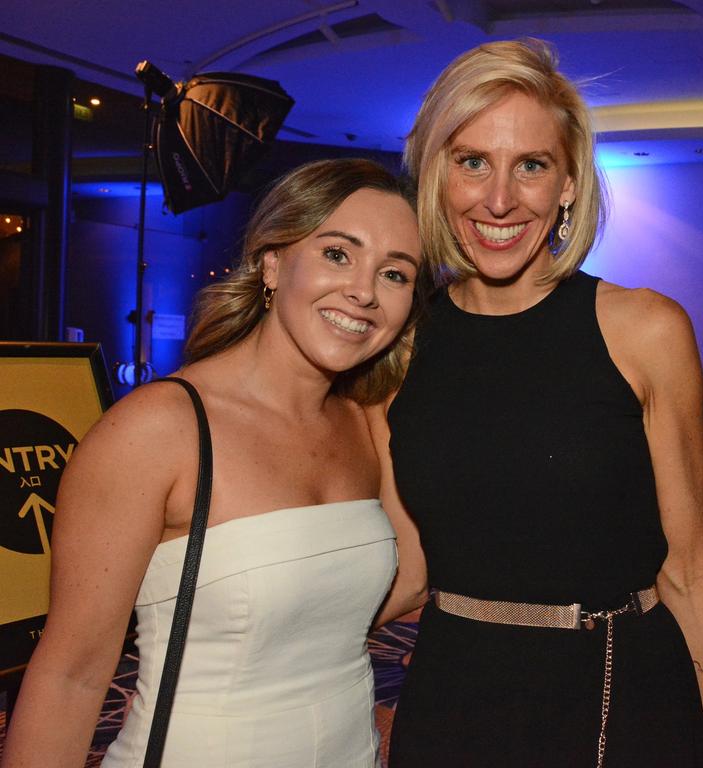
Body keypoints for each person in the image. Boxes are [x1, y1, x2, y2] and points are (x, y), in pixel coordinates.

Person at [369, 39, 703, 767]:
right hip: (454, 697)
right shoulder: (402, 345)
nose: (500, 199)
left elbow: (689, 567)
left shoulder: (644, 329)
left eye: (531, 166)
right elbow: (409, 565)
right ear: (437, 177)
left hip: (617, 696)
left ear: (568, 183)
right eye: (472, 161)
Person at [1, 158, 427, 768]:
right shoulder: (158, 430)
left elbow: (409, 577)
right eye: (338, 253)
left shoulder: (366, 420)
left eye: (394, 273)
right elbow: (71, 678)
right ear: (273, 263)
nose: (363, 291)